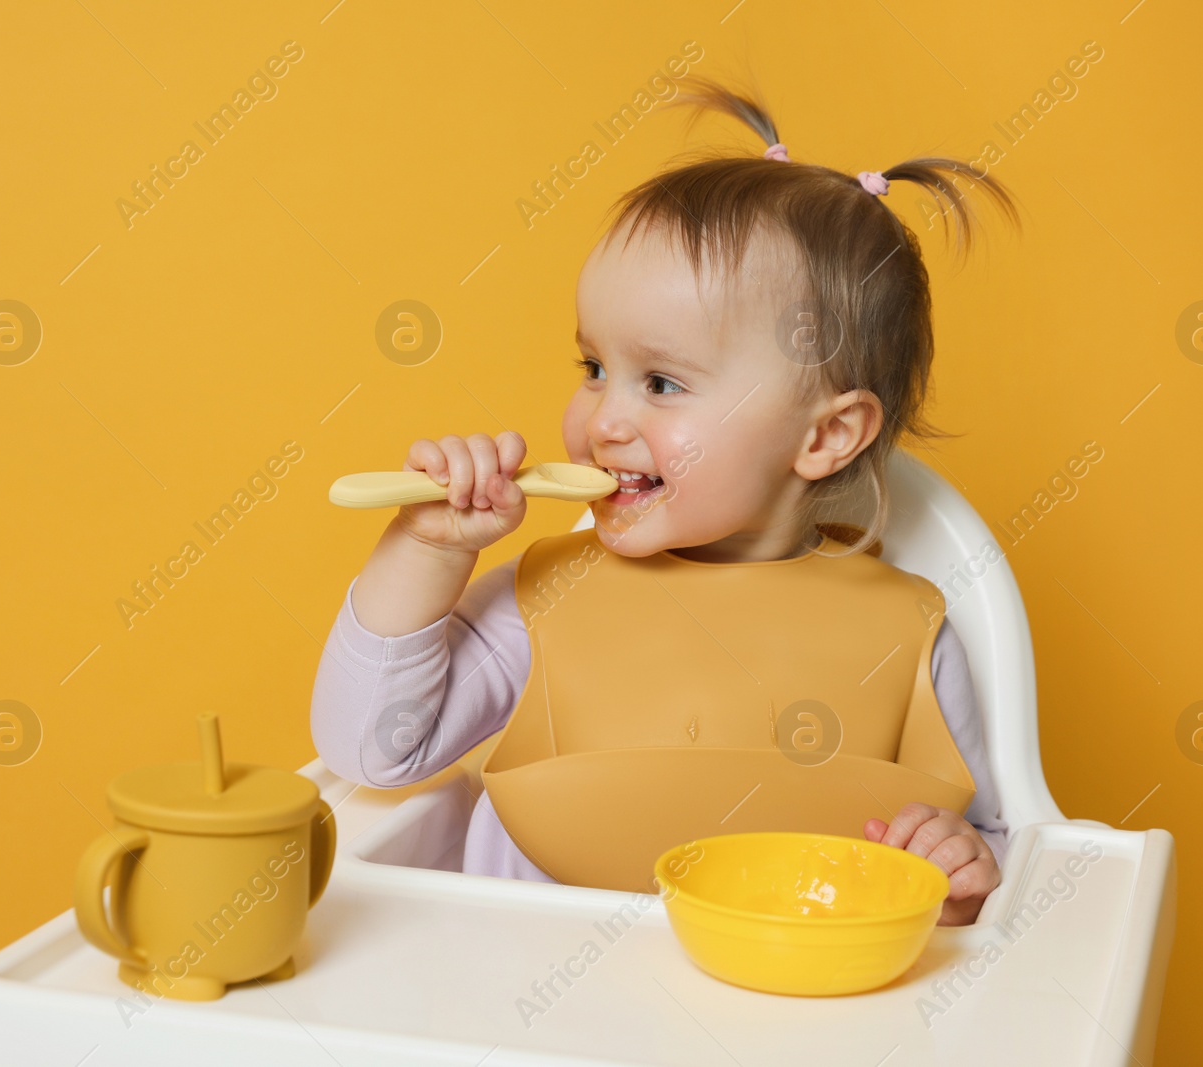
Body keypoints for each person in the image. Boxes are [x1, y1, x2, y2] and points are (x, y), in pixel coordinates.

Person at [312, 78, 1019, 925]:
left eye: (661, 381)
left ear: (826, 437)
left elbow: (991, 848)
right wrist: (427, 550)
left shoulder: (910, 636)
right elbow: (370, 750)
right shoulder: (548, 596)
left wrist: (957, 867)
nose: (605, 419)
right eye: (593, 368)